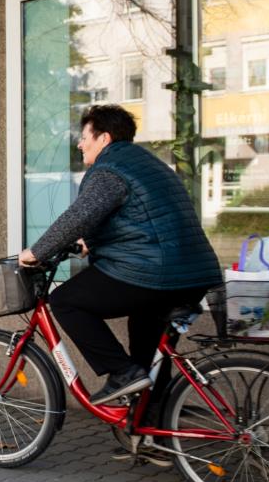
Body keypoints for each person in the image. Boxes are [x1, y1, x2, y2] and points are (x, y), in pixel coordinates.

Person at [18, 105, 222, 412]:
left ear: (104, 138)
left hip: (156, 272)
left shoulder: (109, 169)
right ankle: (152, 423)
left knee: (65, 301)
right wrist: (91, 242)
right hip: (192, 275)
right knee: (146, 351)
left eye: (84, 137)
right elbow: (142, 218)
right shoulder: (147, 164)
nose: (79, 144)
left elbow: (79, 216)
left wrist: (36, 252)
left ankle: (121, 373)